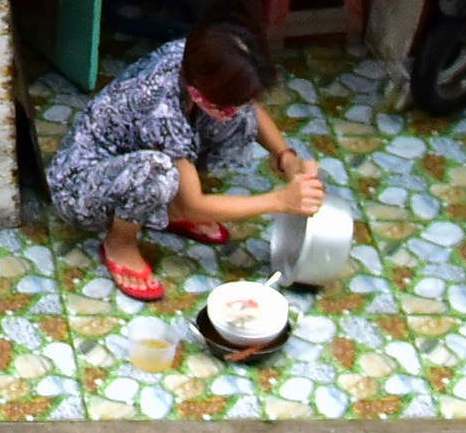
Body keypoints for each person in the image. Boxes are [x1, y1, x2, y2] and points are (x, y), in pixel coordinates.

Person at [43, 17, 322, 302]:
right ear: (199, 91)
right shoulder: (159, 108)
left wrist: (285, 157)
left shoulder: (197, 57)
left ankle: (166, 209)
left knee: (235, 119)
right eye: (224, 102)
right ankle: (120, 241)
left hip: (135, 153)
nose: (237, 107)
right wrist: (281, 201)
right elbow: (196, 206)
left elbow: (248, 106)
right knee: (157, 173)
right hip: (80, 186)